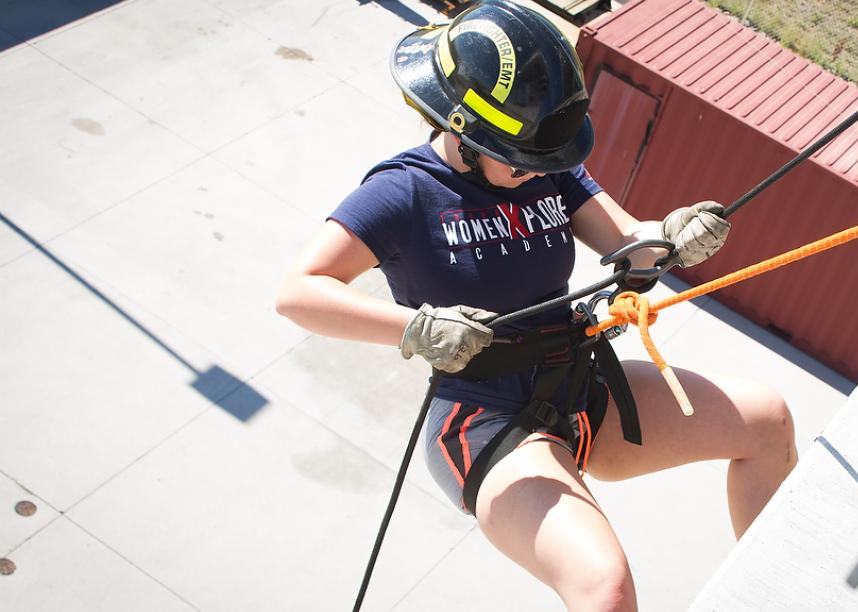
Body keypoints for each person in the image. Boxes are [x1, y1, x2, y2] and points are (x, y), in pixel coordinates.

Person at [275, 1, 797, 609]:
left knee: (767, 421)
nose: (535, 172)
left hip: (579, 389)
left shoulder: (542, 165)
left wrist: (672, 238)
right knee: (605, 587)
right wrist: (416, 327)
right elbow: (298, 292)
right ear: (465, 133)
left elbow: (631, 244)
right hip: (486, 420)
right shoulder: (403, 192)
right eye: (519, 160)